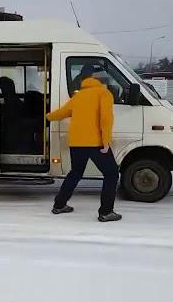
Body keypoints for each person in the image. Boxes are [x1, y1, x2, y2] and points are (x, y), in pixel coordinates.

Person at [46, 70, 122, 223]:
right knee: (112, 173)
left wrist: (47, 116)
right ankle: (106, 212)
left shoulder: (78, 95)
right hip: (95, 143)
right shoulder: (103, 93)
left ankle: (59, 205)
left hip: (76, 143)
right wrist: (106, 141)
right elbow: (106, 119)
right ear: (102, 82)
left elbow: (62, 112)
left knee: (76, 172)